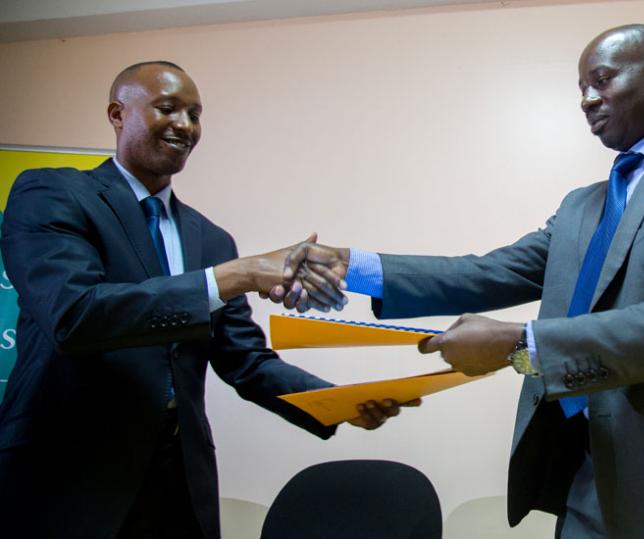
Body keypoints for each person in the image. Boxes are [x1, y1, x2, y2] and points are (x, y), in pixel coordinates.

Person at [279, 24, 644, 538]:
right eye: (580, 89)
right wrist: (350, 266)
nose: (587, 100)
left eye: (601, 80)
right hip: (584, 475)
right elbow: (486, 272)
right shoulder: (581, 206)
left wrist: (519, 343)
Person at [0, 61, 405, 539]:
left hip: (179, 479)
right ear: (117, 113)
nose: (185, 126)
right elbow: (74, 316)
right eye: (167, 108)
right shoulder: (52, 194)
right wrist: (238, 275)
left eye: (195, 114)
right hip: (69, 475)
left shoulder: (209, 239)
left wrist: (335, 402)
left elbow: (243, 360)